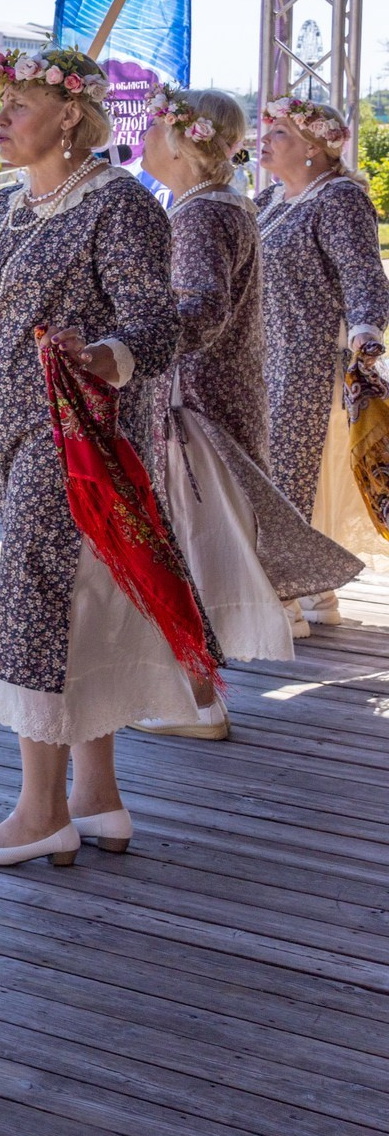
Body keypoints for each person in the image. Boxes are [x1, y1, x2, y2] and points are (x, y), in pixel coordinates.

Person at [0, 48, 187, 865]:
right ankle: (96, 799)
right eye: (2, 106)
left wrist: (102, 353)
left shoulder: (118, 204)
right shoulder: (6, 206)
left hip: (76, 432)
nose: (1, 121)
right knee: (68, 602)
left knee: (35, 603)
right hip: (13, 433)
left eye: (17, 106)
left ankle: (40, 810)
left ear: (68, 115)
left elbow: (157, 323)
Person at [133, 87, 363, 708]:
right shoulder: (236, 203)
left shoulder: (209, 213)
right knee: (235, 510)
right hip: (239, 371)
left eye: (153, 127)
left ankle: (199, 687)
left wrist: (125, 346)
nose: (142, 137)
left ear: (183, 141)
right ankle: (243, 634)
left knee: (216, 520)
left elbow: (201, 306)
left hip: (227, 380)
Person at [253, 93, 389, 627]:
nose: (264, 140)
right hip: (263, 353)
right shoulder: (269, 199)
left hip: (309, 356)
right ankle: (314, 592)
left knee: (287, 473)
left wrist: (366, 329)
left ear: (314, 147)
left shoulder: (338, 197)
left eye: (279, 133)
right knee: (273, 471)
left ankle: (286, 598)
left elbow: (362, 271)